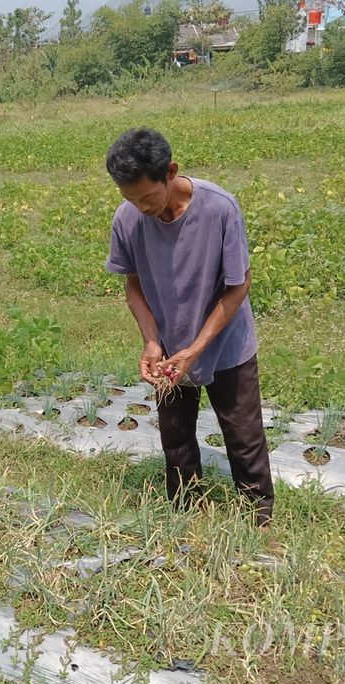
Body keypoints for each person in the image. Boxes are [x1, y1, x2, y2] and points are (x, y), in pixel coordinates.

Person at [104, 127, 274, 526]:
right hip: (168, 349)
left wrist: (196, 349)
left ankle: (258, 519)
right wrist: (151, 341)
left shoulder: (219, 208)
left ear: (171, 171)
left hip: (226, 342)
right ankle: (183, 514)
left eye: (148, 196)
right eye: (130, 198)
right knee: (176, 440)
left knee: (244, 436)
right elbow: (134, 286)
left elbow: (238, 286)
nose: (140, 207)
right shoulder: (128, 219)